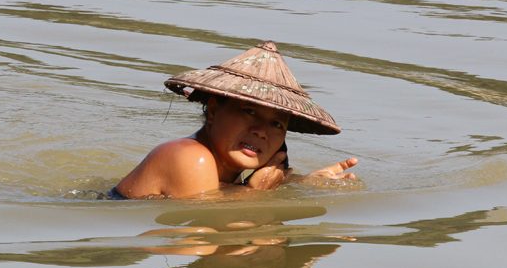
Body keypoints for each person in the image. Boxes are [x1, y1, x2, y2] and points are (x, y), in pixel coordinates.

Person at [114, 41, 358, 199]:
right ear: (212, 110)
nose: (262, 132)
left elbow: (219, 198)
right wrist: (256, 194)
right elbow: (207, 228)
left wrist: (302, 182)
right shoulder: (189, 157)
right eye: (249, 111)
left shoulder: (223, 172)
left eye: (276, 124)